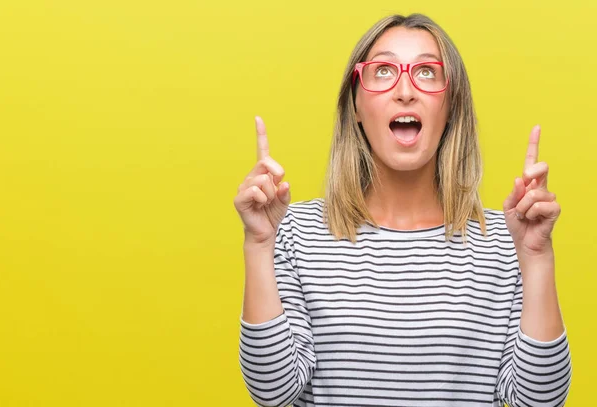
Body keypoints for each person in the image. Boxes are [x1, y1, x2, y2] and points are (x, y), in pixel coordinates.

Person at [233, 13, 572, 407]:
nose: (406, 91)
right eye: (383, 71)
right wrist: (258, 244)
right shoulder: (295, 231)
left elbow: (540, 400)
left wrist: (537, 258)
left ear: (450, 108)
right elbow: (273, 392)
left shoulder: (506, 241)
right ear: (355, 106)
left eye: (427, 72)